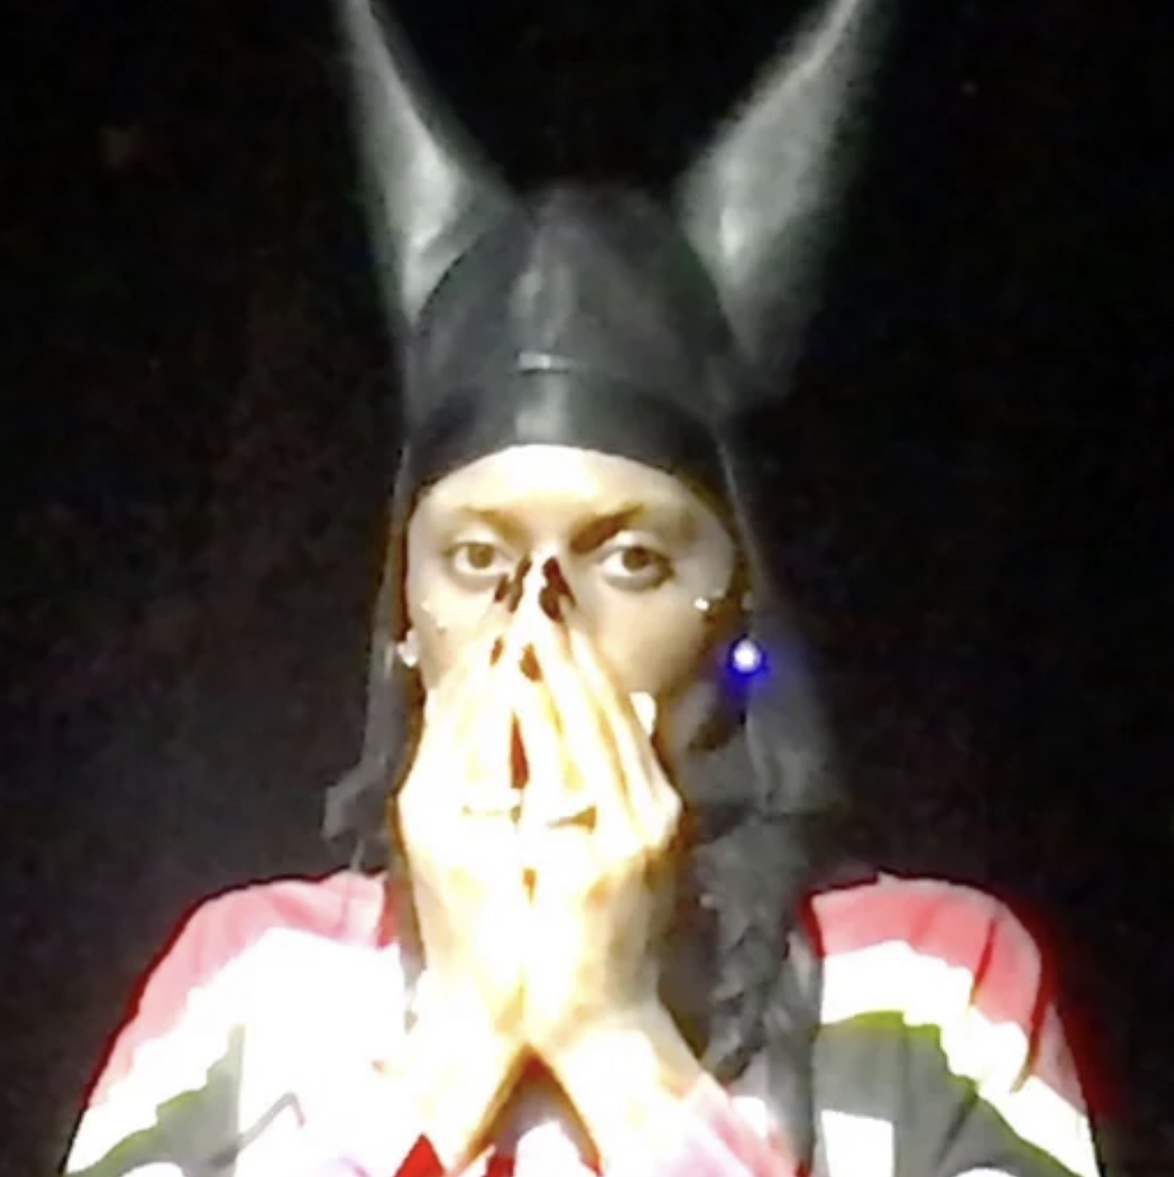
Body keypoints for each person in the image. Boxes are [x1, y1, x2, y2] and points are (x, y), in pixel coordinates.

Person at [61, 0, 1106, 1174]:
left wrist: (617, 1044)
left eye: (630, 559)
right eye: (477, 559)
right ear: (403, 617)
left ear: (735, 609)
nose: (535, 629)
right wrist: (459, 1042)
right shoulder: (245, 984)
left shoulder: (932, 990)